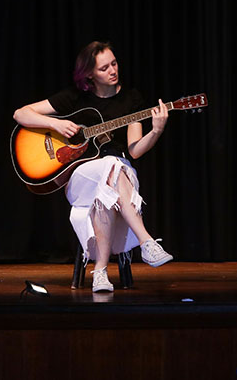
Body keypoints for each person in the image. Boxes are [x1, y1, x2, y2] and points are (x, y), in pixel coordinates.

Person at [13, 41, 173, 292]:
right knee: (110, 167)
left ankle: (100, 271)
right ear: (89, 74)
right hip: (82, 177)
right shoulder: (75, 98)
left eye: (114, 63)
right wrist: (56, 124)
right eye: (104, 68)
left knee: (110, 174)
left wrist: (156, 131)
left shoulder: (131, 99)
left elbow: (135, 150)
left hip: (120, 175)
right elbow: (20, 114)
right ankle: (147, 242)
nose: (113, 70)